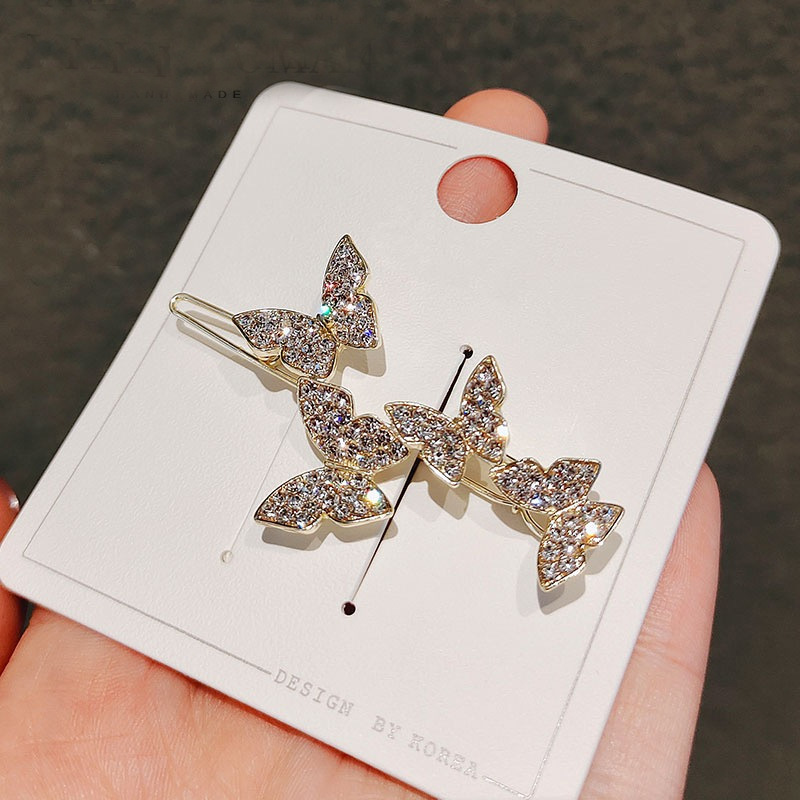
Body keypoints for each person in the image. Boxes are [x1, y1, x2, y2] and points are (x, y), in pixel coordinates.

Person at [0, 89, 720, 799]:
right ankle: (541, 505)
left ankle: (551, 510)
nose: (303, 341)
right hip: (370, 451)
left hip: (396, 448)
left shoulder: (362, 399)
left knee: (448, 455)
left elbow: (398, 427)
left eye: (301, 335)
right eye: (294, 339)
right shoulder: (335, 397)